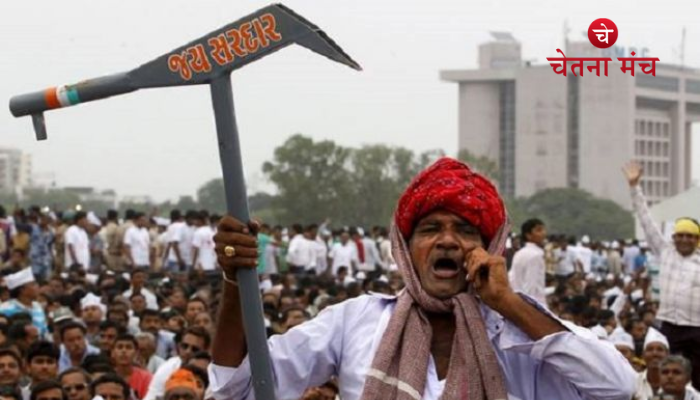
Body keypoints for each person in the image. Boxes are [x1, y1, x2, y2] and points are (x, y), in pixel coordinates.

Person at [209, 157, 636, 399]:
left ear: (492, 247)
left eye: (466, 231)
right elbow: (237, 387)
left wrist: (508, 303)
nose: (448, 242)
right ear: (405, 248)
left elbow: (618, 388)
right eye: (431, 230)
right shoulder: (356, 322)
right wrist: (234, 282)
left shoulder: (521, 335)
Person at [624, 161, 700, 390]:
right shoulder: (665, 251)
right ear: (674, 237)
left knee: (696, 381)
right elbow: (646, 221)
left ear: (697, 240)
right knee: (667, 378)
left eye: (690, 236)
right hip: (669, 326)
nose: (684, 240)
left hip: (697, 329)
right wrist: (635, 187)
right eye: (681, 235)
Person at [143, 327, 210, 400]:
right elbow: (151, 397)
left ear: (205, 351)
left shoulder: (213, 372)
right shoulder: (167, 368)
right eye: (185, 346)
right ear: (178, 346)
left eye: (195, 349)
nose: (188, 351)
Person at [508, 218, 547, 304]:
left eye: (543, 230)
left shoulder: (519, 253)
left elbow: (512, 279)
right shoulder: (535, 255)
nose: (544, 233)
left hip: (518, 301)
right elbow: (531, 287)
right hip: (532, 305)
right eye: (539, 230)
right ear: (528, 235)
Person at [0, 269, 48, 336]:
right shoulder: (5, 309)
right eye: (33, 284)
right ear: (22, 290)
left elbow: (44, 332)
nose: (37, 287)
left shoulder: (38, 306)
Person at [110, 334, 152, 399]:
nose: (124, 351)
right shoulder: (106, 376)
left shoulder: (146, 378)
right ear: (112, 352)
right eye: (119, 347)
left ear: (136, 353)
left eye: (128, 347)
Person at [635, 327, 671, 400]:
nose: (655, 353)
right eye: (650, 349)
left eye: (660, 349)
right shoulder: (633, 382)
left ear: (668, 355)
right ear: (643, 355)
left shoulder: (679, 384)